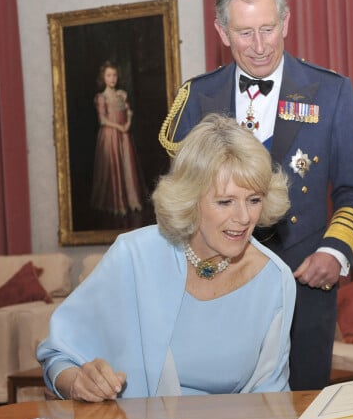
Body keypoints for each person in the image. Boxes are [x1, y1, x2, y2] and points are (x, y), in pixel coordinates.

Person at [159, 0, 353, 390]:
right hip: (217, 280)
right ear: (222, 32)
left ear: (286, 23)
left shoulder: (330, 92)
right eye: (244, 33)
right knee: (219, 406)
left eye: (268, 29)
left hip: (303, 278)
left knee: (303, 407)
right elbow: (180, 195)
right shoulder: (196, 97)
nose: (259, 46)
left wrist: (335, 251)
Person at [37, 113, 295, 401]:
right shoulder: (133, 257)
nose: (244, 217)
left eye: (254, 200)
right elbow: (57, 355)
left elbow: (271, 397)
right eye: (225, 201)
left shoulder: (275, 279)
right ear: (190, 198)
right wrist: (76, 383)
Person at [90, 60, 145, 216]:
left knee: (126, 164)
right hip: (110, 135)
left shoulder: (121, 94)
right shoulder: (101, 97)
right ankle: (115, 202)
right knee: (113, 166)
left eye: (114, 75)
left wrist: (127, 123)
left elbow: (128, 111)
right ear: (103, 78)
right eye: (108, 75)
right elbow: (102, 120)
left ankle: (131, 200)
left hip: (124, 134)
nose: (112, 78)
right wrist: (118, 127)